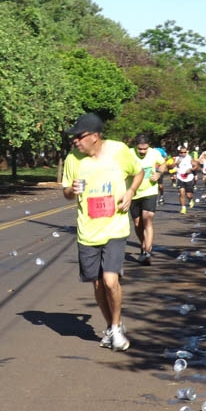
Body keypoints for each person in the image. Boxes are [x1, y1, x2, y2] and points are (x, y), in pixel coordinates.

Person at [62, 113, 144, 352]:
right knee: (97, 284)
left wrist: (130, 193)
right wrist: (72, 191)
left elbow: (138, 172)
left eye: (79, 136)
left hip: (115, 227)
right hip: (87, 231)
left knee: (110, 280)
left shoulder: (119, 151)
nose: (75, 141)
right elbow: (66, 191)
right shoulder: (73, 160)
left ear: (95, 136)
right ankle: (110, 326)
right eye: (74, 138)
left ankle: (117, 328)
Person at [129, 134, 163, 264]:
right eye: (140, 149)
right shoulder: (128, 153)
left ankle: (147, 252)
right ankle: (144, 245)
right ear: (135, 146)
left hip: (150, 191)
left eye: (145, 149)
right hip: (133, 193)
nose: (143, 152)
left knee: (147, 220)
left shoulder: (154, 153)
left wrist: (159, 173)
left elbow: (163, 163)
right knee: (138, 224)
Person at [175, 146, 198, 214]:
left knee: (188, 195)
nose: (183, 154)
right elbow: (170, 166)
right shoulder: (177, 158)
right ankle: (183, 208)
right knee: (181, 192)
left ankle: (190, 200)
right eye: (181, 152)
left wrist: (191, 169)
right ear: (179, 152)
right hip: (180, 177)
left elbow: (196, 166)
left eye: (185, 152)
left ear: (186, 152)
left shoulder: (189, 158)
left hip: (188, 178)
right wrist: (176, 163)